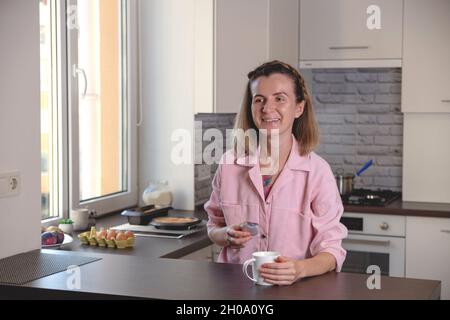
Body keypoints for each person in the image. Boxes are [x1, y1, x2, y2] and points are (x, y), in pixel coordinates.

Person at [204, 60, 347, 286]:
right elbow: (213, 226)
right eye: (259, 100)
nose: (267, 108)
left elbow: (331, 251)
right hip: (235, 289)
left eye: (279, 98)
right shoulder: (229, 163)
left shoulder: (317, 172)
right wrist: (227, 235)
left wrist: (300, 269)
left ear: (299, 108)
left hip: (296, 291)